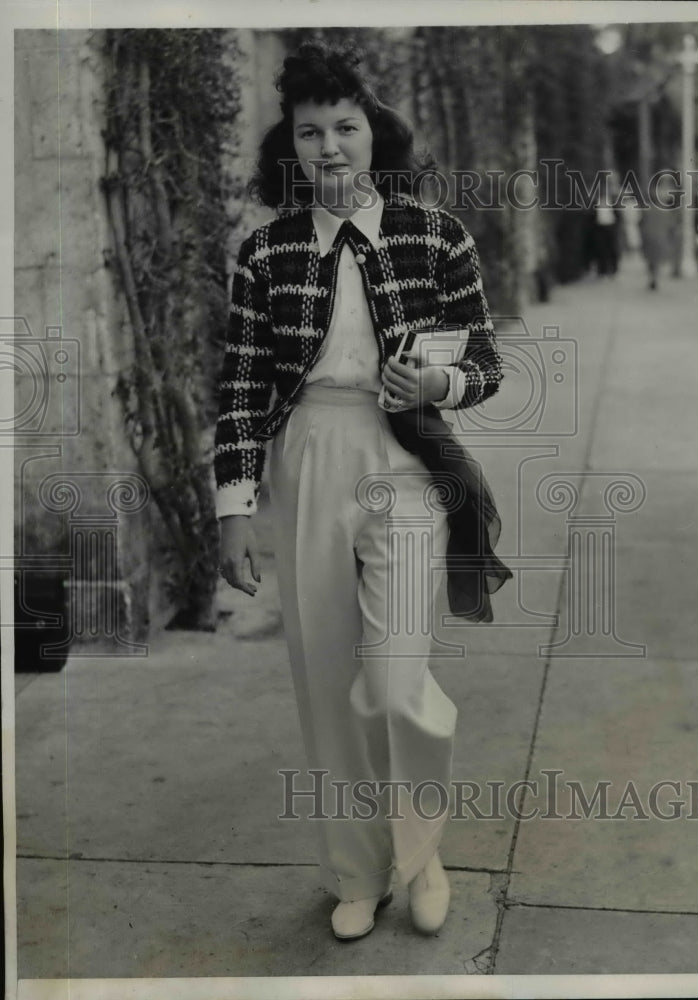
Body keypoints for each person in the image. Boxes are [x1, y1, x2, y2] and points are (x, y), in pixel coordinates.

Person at [213, 42, 509, 941]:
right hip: (307, 453)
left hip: (403, 461)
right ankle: (355, 871)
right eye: (310, 132)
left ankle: (422, 857)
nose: (329, 147)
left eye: (345, 127)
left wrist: (439, 387)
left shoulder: (433, 233)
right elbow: (238, 388)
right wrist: (233, 508)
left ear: (373, 133)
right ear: (289, 146)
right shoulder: (265, 252)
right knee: (324, 677)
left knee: (391, 679)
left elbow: (486, 360)